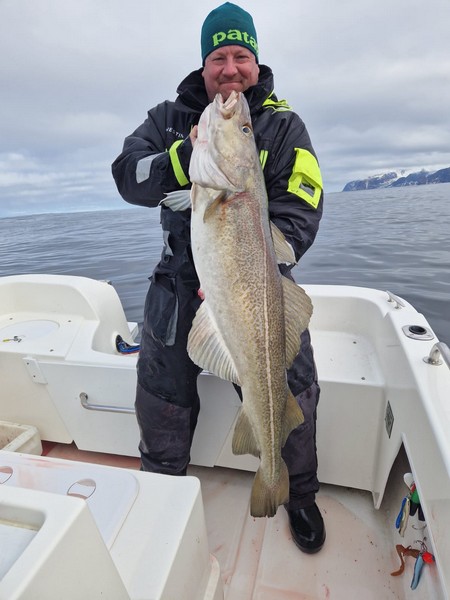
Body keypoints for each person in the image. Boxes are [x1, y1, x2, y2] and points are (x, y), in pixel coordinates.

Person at [112, 2, 325, 554]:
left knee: (292, 383)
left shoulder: (281, 125)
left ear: (256, 62)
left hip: (259, 283)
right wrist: (183, 160)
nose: (230, 71)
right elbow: (127, 175)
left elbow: (302, 207)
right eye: (218, 58)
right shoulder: (168, 118)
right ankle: (161, 492)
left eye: (241, 56)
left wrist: (251, 272)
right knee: (160, 397)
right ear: (204, 65)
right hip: (178, 287)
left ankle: (295, 491)